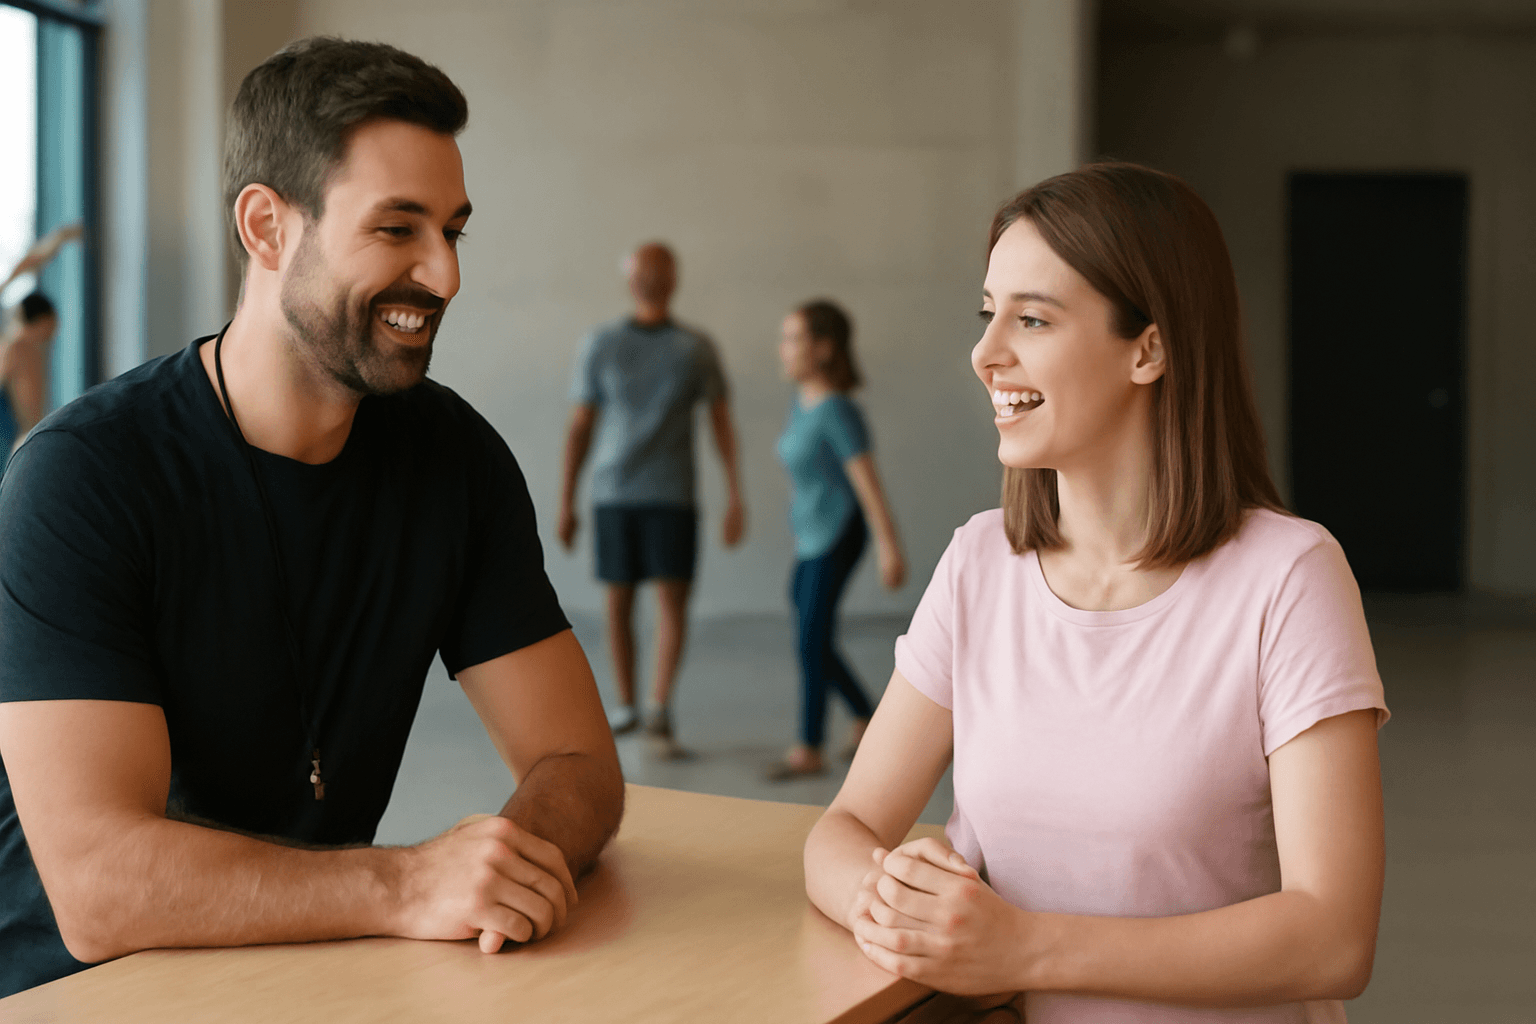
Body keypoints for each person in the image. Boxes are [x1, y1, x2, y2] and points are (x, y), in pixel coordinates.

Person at [0, 38, 624, 998]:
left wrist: (506, 871)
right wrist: (408, 882)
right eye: (398, 229)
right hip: (73, 993)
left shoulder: (454, 460)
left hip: (309, 974)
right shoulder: (82, 479)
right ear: (267, 227)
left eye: (453, 231)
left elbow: (577, 758)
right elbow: (98, 887)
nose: (445, 276)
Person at [804, 163, 1388, 1022]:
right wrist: (885, 901)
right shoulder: (979, 564)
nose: (986, 351)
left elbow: (1334, 938)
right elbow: (845, 827)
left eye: (1032, 318)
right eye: (987, 312)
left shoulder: (1290, 577)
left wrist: (1023, 945)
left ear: (1148, 347)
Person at [557, 243, 745, 752]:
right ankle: (626, 705)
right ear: (629, 278)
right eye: (642, 270)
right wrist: (566, 501)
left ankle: (659, 706)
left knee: (671, 600)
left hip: (672, 495)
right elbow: (581, 427)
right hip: (614, 493)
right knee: (617, 600)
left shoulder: (695, 348)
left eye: (659, 270)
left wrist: (735, 494)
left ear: (673, 278)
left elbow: (721, 422)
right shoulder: (601, 344)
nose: (650, 278)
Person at [768, 299, 905, 780]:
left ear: (823, 349)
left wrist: (890, 545)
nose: (782, 349)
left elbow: (867, 481)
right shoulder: (800, 403)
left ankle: (809, 747)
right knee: (812, 635)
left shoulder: (839, 412)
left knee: (810, 638)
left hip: (840, 531)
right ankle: (866, 717)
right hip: (810, 534)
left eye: (793, 339)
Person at [0, 223, 82, 471]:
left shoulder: (18, 340)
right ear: (42, 323)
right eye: (50, 329)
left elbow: (23, 267)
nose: (52, 337)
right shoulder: (16, 347)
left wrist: (57, 241)